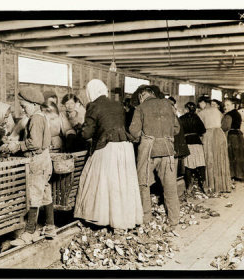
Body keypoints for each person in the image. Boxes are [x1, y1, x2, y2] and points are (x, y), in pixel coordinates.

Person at [74, 79, 143, 231]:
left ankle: (101, 218)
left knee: (101, 182)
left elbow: (87, 134)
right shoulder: (117, 104)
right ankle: (122, 219)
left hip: (108, 147)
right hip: (124, 147)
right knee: (121, 184)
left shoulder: (93, 106)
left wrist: (78, 128)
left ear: (91, 92)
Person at [0, 87, 55, 245]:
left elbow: (34, 143)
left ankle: (29, 232)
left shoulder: (36, 119)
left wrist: (17, 146)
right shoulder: (41, 116)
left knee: (33, 197)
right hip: (44, 159)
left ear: (34, 104)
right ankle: (50, 226)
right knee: (45, 193)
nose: (23, 109)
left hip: (37, 161)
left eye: (24, 106)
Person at [129, 85, 180, 227]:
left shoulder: (141, 108)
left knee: (143, 184)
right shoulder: (168, 105)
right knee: (170, 187)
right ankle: (174, 220)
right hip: (168, 150)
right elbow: (176, 129)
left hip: (149, 151)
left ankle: (146, 219)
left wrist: (145, 137)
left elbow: (133, 131)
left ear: (141, 96)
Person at [197, 96, 231, 193]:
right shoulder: (217, 111)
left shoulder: (201, 113)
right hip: (220, 135)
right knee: (220, 159)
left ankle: (212, 186)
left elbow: (199, 127)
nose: (199, 106)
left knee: (210, 160)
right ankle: (223, 186)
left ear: (203, 102)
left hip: (209, 135)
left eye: (200, 104)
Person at [180, 102, 207, 194]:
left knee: (188, 166)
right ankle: (203, 184)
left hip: (187, 143)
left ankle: (189, 186)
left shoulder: (181, 118)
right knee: (200, 164)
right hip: (197, 143)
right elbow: (203, 130)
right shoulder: (197, 117)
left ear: (187, 109)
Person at [222, 98, 244, 181]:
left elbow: (225, 127)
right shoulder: (237, 113)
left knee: (232, 155)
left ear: (233, 105)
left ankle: (233, 175)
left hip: (232, 136)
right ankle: (242, 175)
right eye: (225, 105)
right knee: (240, 155)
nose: (225, 107)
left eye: (228, 105)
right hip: (239, 135)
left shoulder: (229, 114)